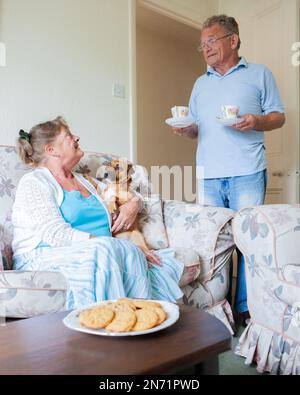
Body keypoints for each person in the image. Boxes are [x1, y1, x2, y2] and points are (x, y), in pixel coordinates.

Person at [171, 15, 285, 324]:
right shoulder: (201, 82)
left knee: (248, 244)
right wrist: (187, 130)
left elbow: (279, 116)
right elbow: (197, 127)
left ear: (232, 40)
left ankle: (247, 310)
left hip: (247, 170)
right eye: (202, 44)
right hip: (209, 174)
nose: (205, 47)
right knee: (211, 243)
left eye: (212, 41)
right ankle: (216, 310)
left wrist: (255, 121)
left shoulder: (259, 74)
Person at [12, 117, 184, 309]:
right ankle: (111, 323)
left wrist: (133, 204)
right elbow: (55, 234)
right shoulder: (35, 182)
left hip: (101, 252)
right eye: (68, 136)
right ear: (51, 150)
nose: (77, 138)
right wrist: (113, 245)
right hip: (44, 256)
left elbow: (126, 195)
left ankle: (139, 322)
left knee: (140, 254)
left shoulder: (85, 181)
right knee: (110, 249)